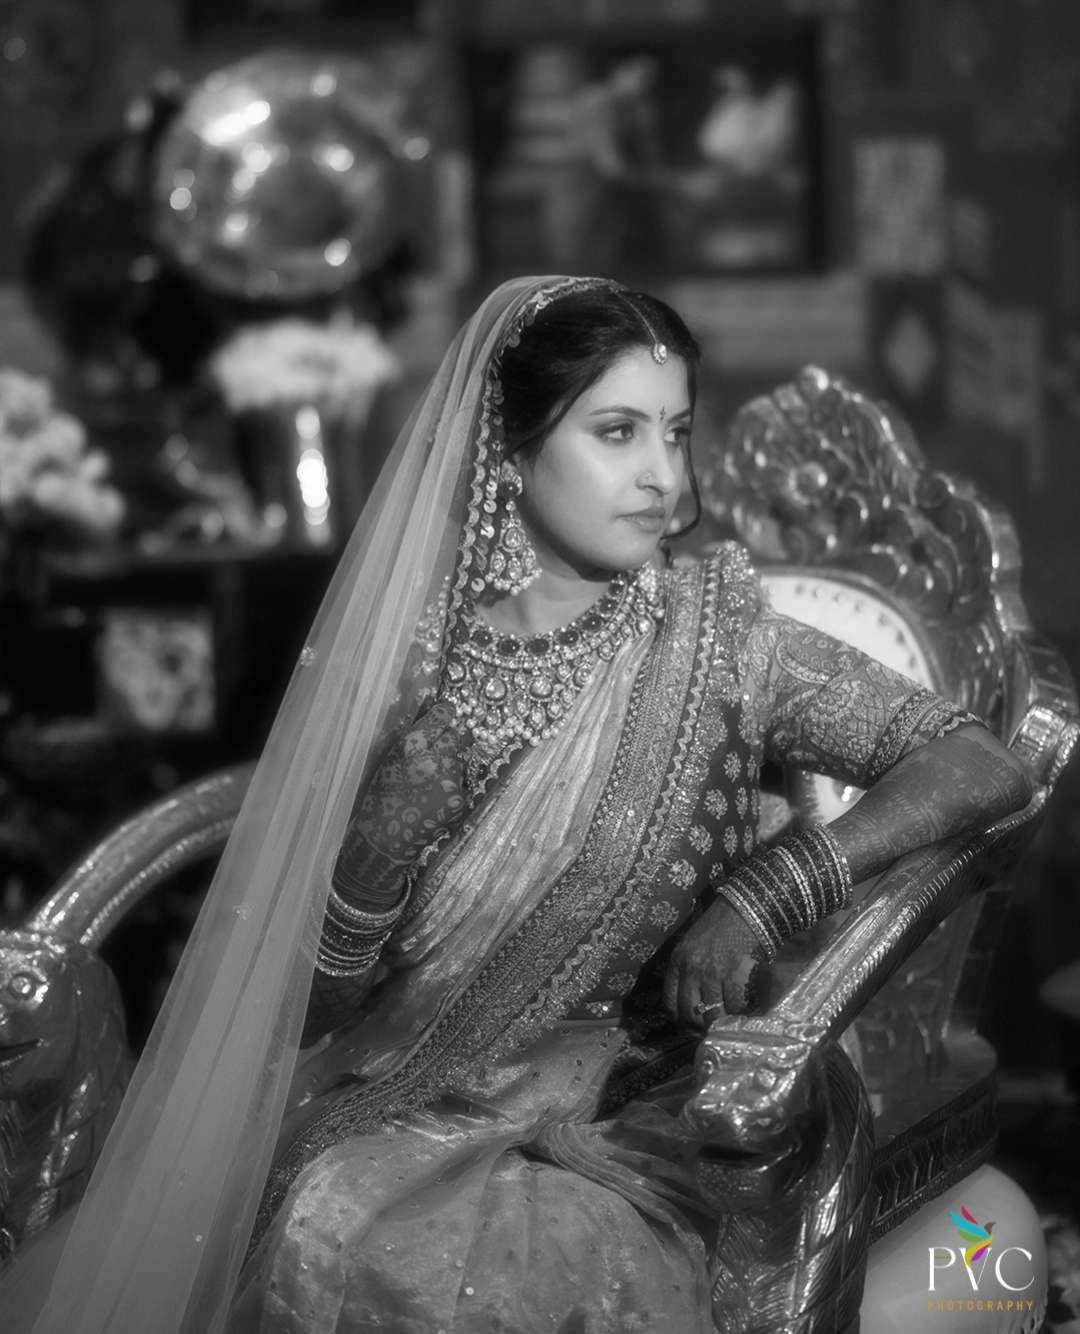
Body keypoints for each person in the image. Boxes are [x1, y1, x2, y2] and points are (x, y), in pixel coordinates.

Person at [6, 275, 1033, 1333]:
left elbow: (979, 762)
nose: (662, 474)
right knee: (313, 1217)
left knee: (397, 1257)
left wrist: (772, 890)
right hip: (401, 1092)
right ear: (511, 449)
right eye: (618, 432)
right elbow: (309, 1011)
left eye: (676, 432)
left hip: (649, 1107)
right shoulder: (414, 667)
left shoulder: (726, 643)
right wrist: (374, 854)